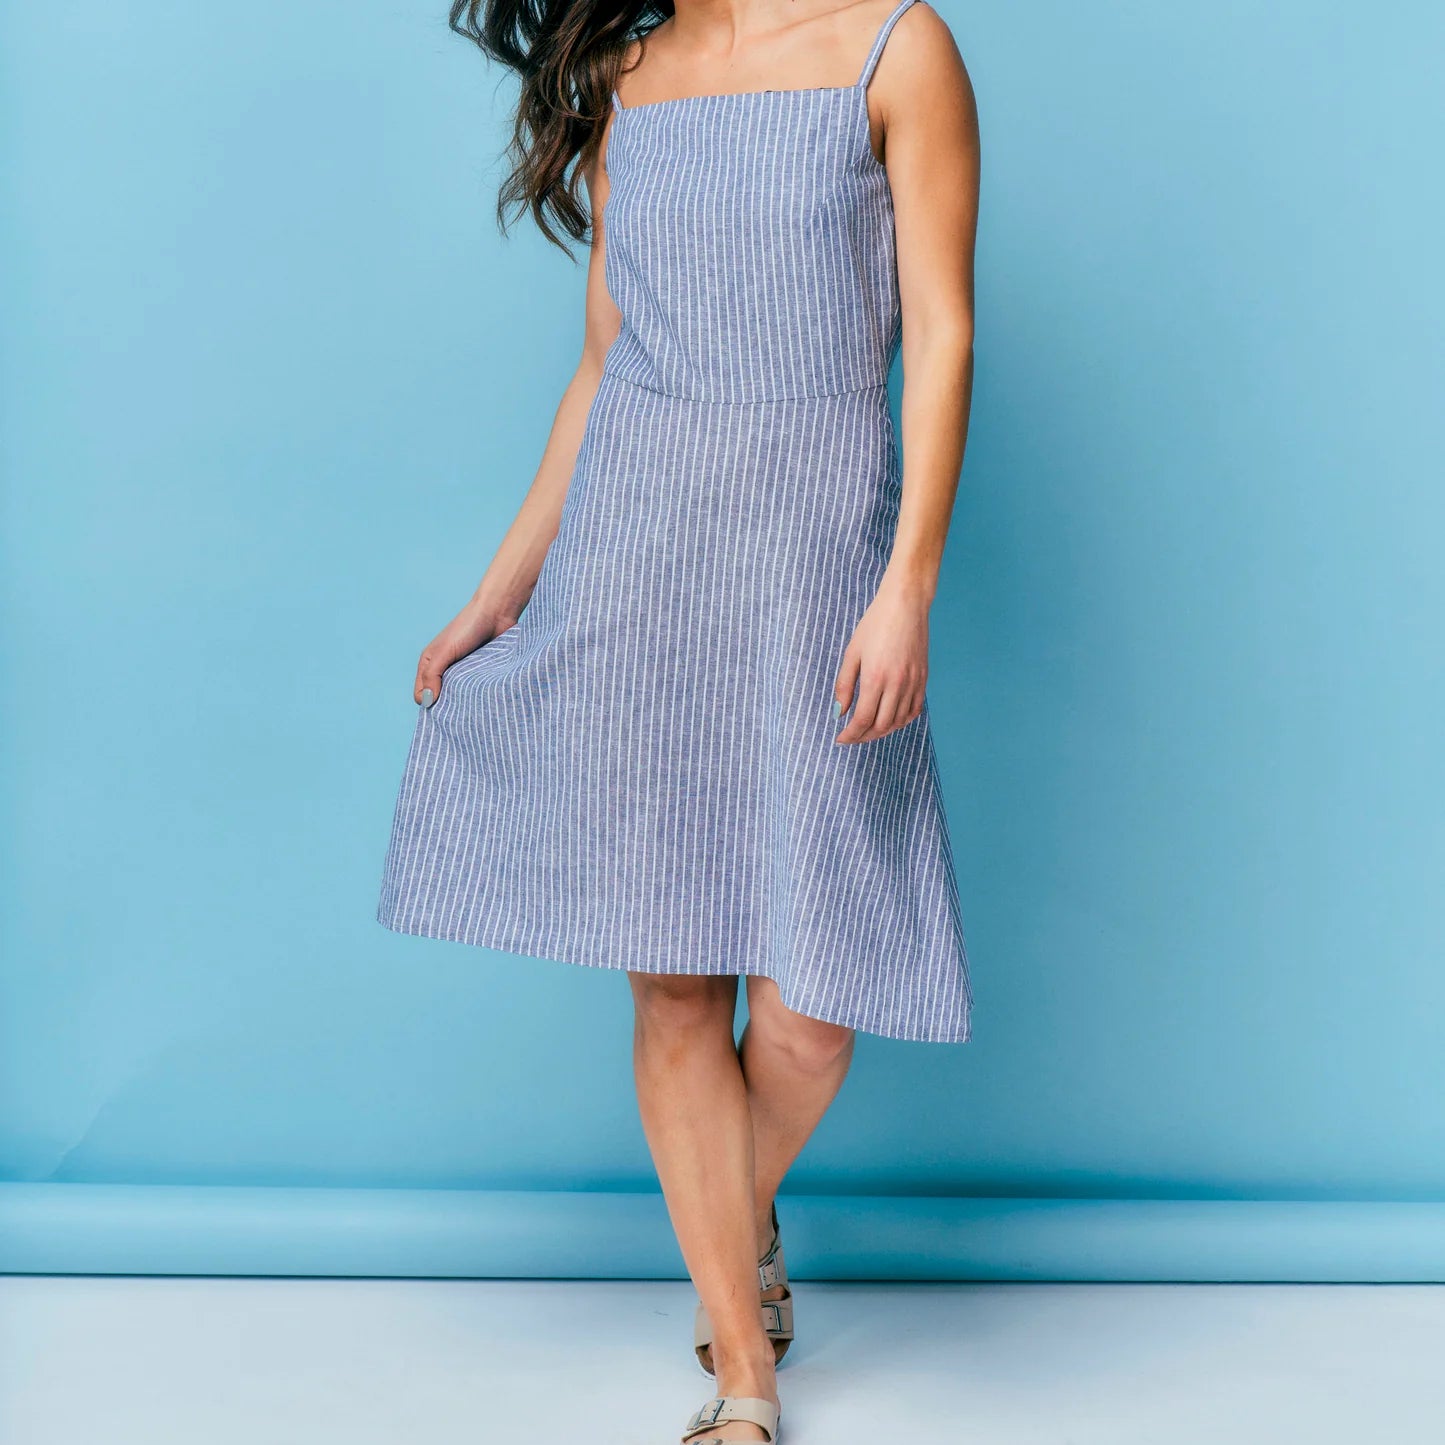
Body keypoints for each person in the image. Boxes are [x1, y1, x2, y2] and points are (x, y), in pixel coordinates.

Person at [377, 0, 979, 1437]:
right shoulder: (627, 70)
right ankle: (742, 1371)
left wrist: (906, 591)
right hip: (638, 559)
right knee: (670, 984)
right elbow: (605, 356)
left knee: (812, 1014)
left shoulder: (897, 48)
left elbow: (943, 329)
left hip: (817, 559)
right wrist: (500, 589)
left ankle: (733, 1221)